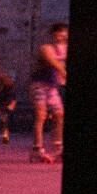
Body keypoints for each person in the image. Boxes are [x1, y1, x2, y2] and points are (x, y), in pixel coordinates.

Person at [29, 22, 68, 162]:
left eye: (64, 32)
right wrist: (63, 72)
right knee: (41, 115)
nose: (62, 35)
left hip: (52, 87)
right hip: (39, 85)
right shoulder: (46, 48)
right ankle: (37, 149)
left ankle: (58, 147)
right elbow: (53, 62)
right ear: (53, 34)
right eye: (59, 32)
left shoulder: (65, 49)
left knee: (59, 114)